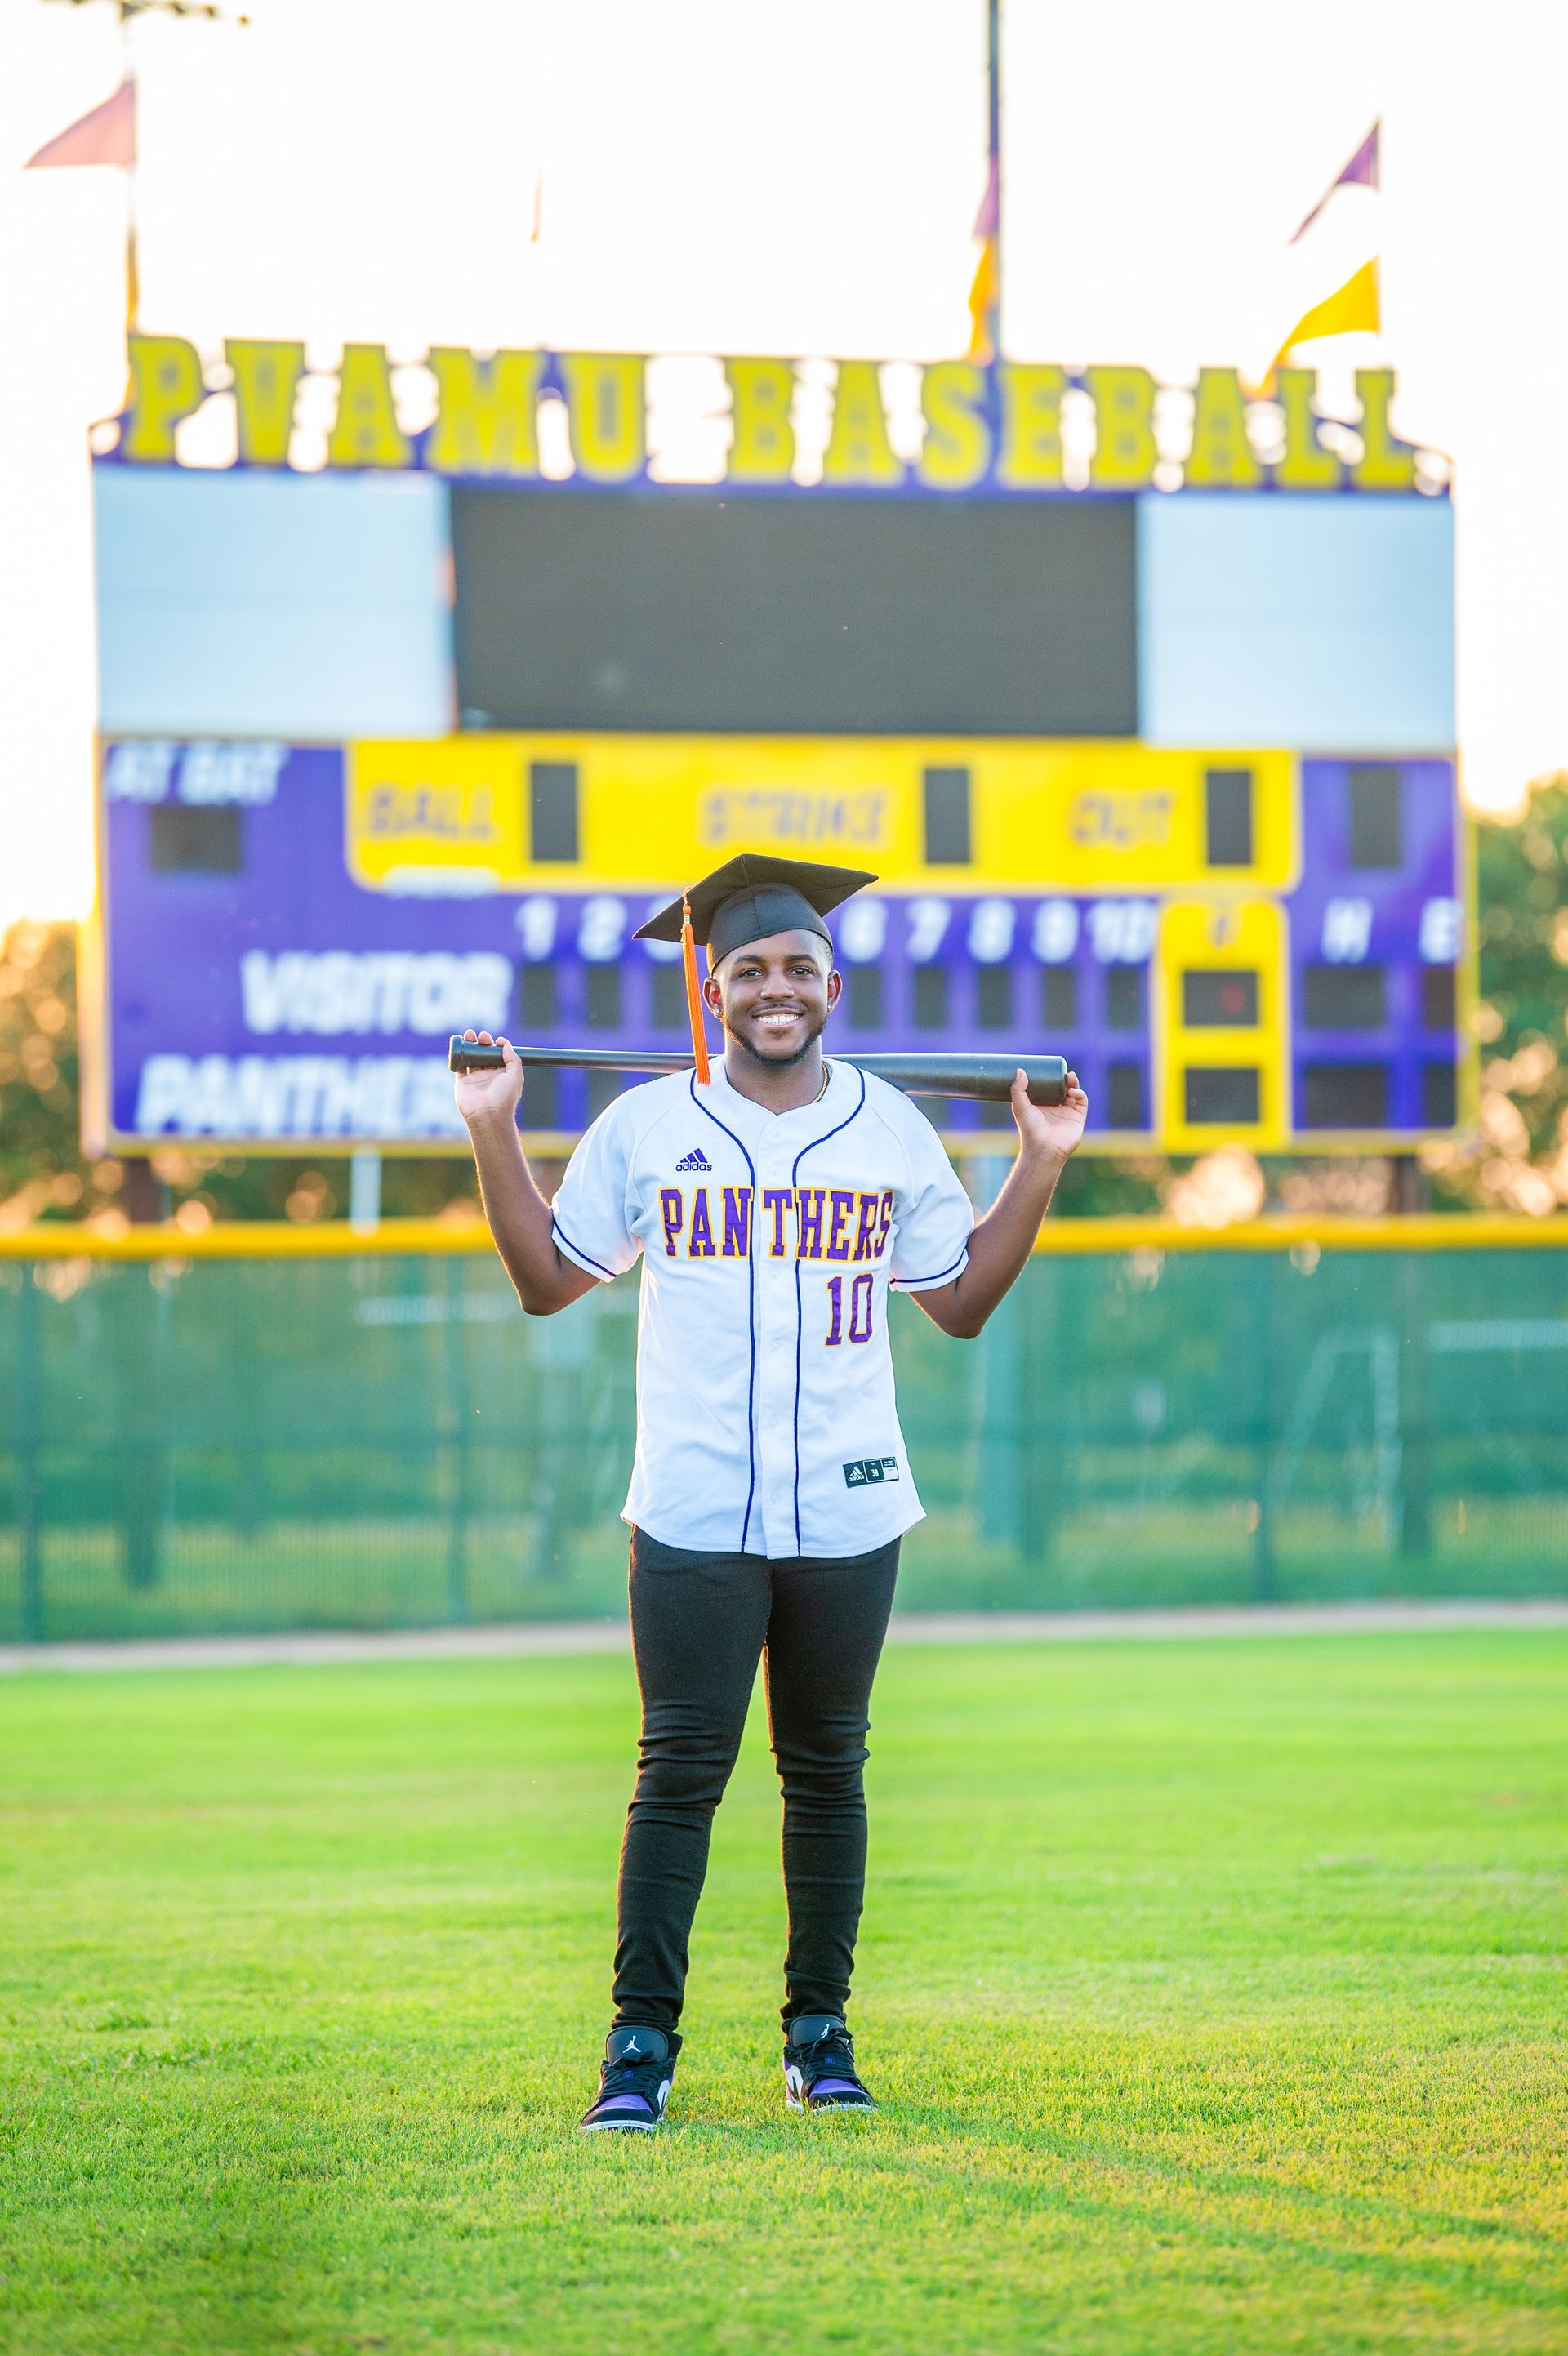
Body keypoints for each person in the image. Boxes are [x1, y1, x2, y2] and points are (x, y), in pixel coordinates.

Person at [455, 853, 1087, 2132]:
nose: (776, 987)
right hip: (691, 1504)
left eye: (798, 967)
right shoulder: (645, 1126)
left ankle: (819, 2031)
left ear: (833, 985)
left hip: (850, 1501)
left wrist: (1044, 1159)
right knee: (677, 1770)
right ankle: (639, 2047)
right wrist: (491, 1126)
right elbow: (544, 1280)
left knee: (828, 1771)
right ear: (713, 989)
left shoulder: (889, 1127)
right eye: (749, 969)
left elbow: (959, 1303)